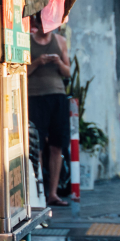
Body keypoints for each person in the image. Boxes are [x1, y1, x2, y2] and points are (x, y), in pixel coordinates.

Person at [28, 13, 72, 208]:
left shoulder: (60, 41)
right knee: (37, 146)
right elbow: (22, 72)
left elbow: (68, 72)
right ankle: (38, 193)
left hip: (57, 96)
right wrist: (38, 62)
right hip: (34, 97)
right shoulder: (28, 41)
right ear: (36, 23)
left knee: (57, 145)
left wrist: (58, 63)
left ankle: (53, 193)